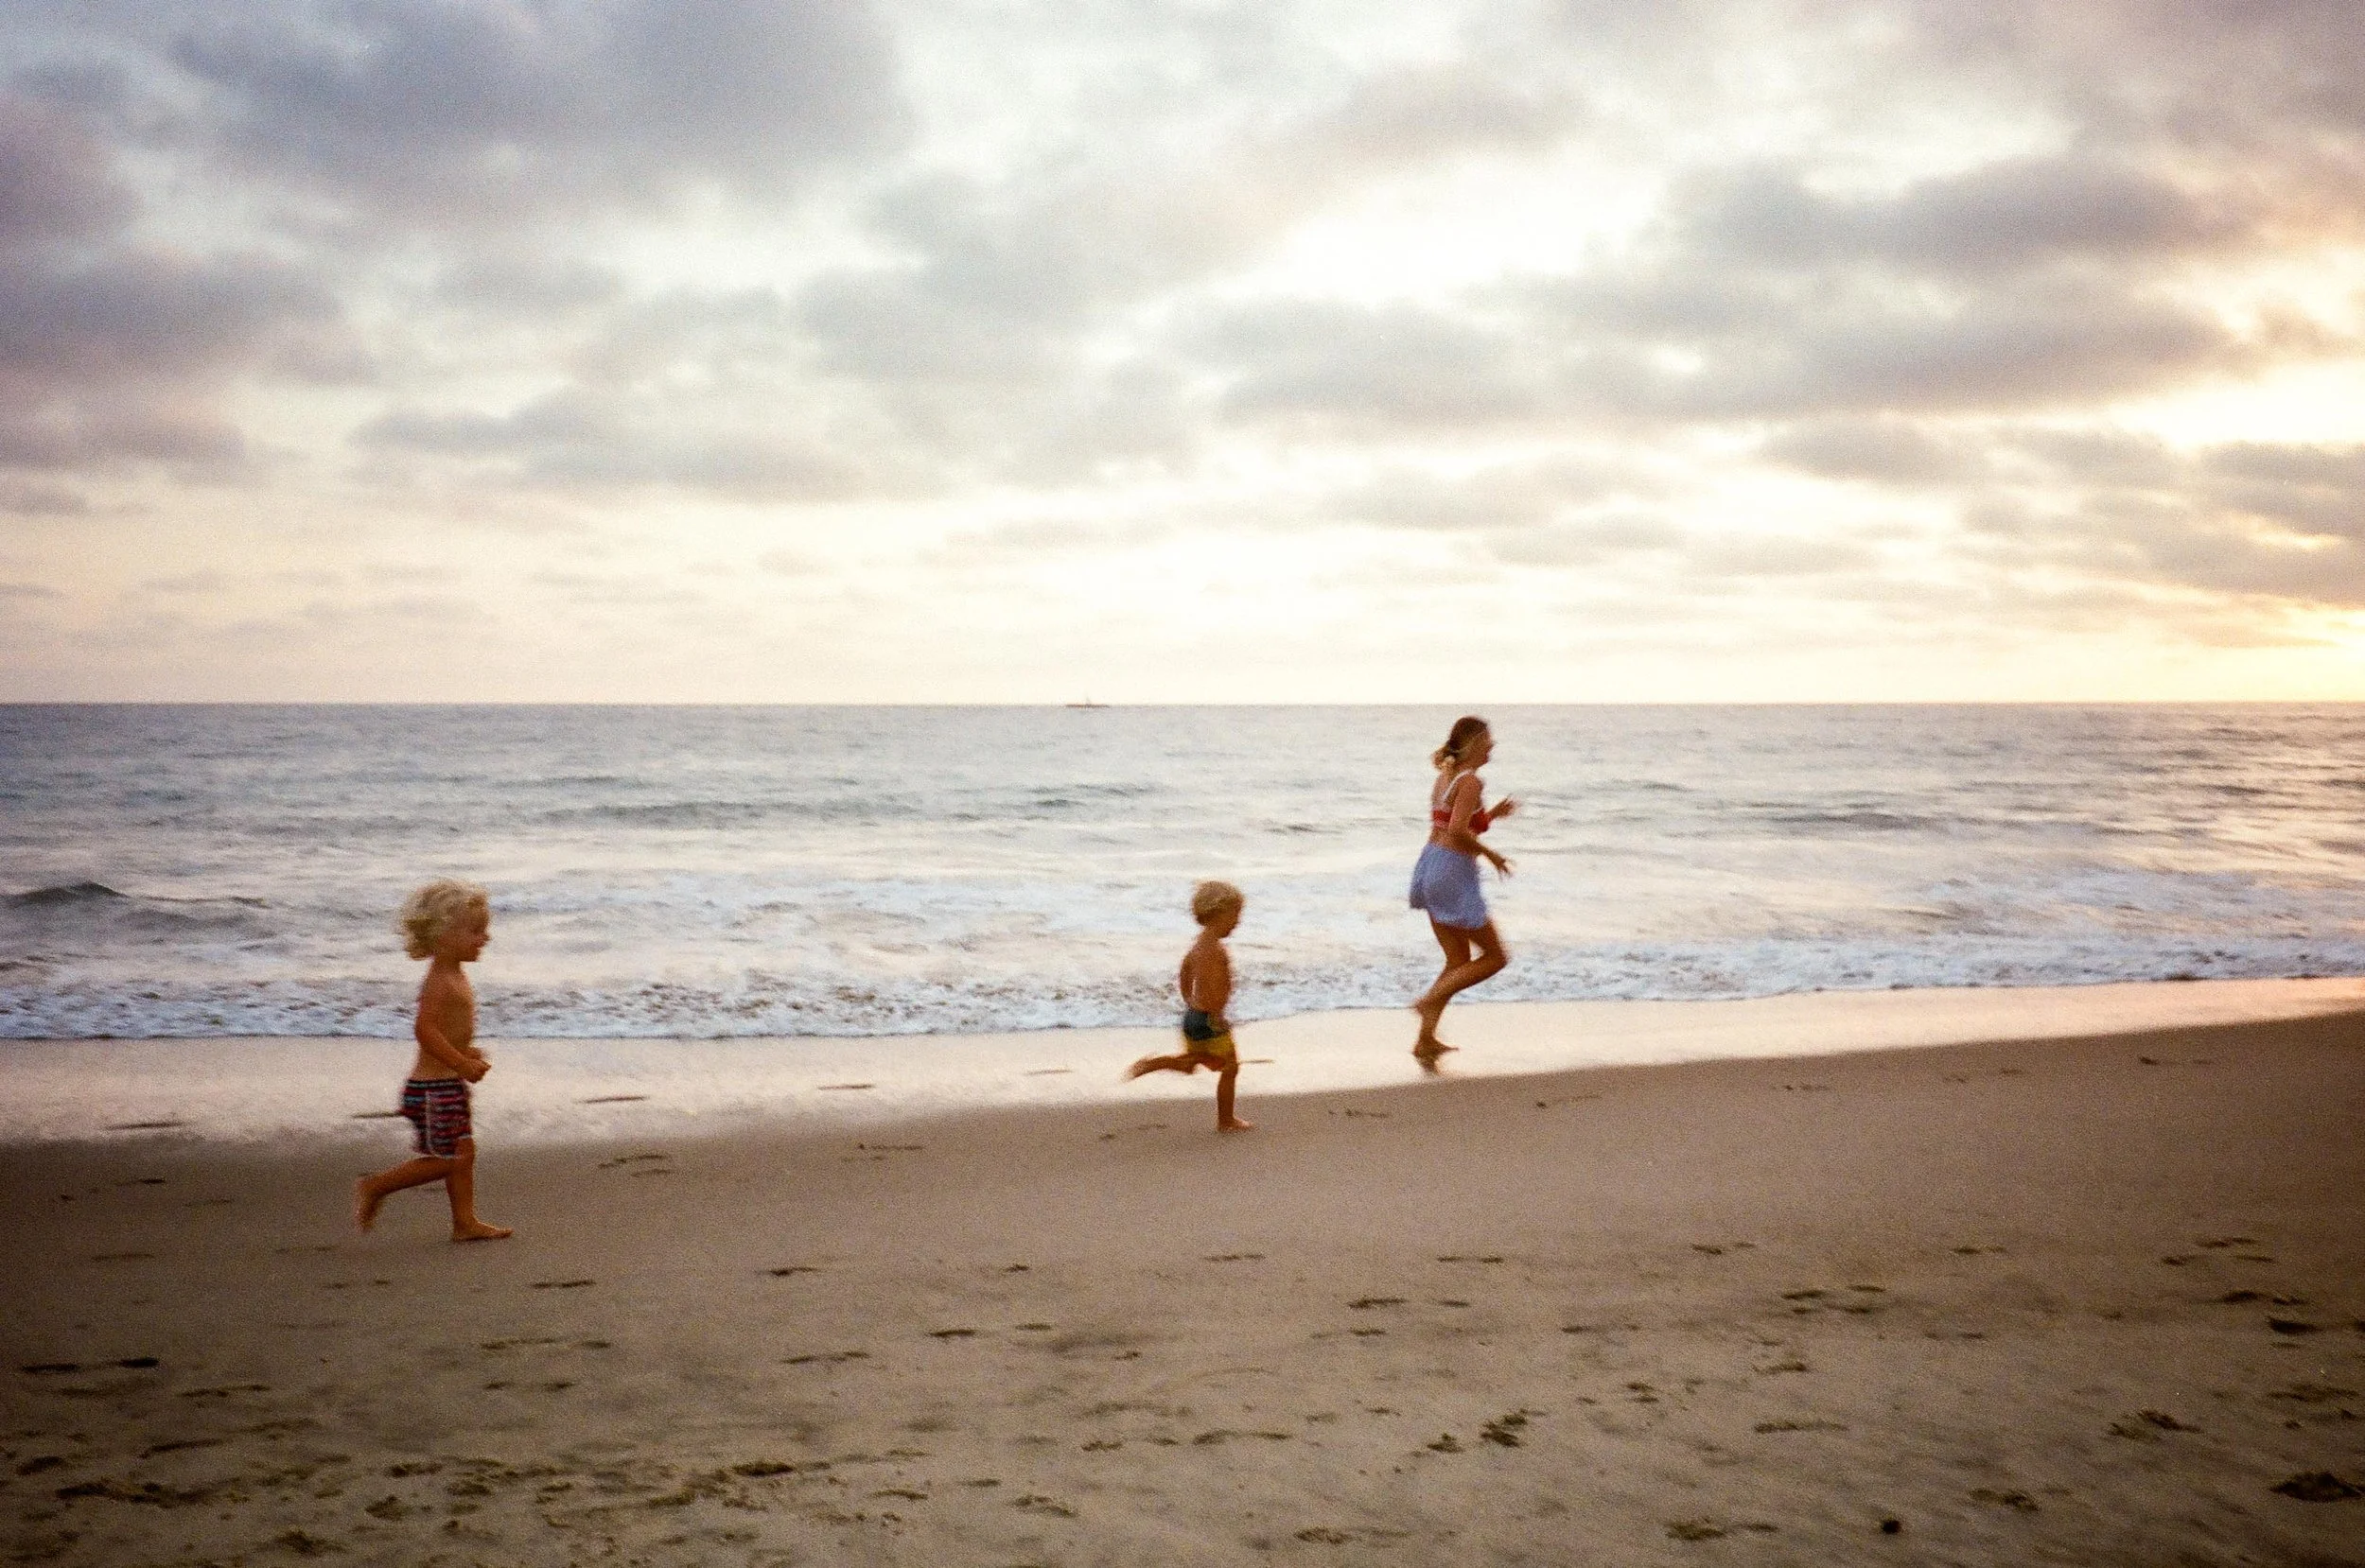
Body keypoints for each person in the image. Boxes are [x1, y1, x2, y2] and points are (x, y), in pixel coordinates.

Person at [356, 880, 512, 1241]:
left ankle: (464, 1222)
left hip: (447, 1084)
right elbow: (424, 1030)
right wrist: (459, 1062)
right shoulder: (439, 980)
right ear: (444, 935)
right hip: (432, 1089)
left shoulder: (456, 974)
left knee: (464, 1153)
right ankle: (375, 1186)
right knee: (448, 1160)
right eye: (475, 931)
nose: (484, 939)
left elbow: (446, 1031)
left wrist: (465, 1053)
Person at [1409, 716, 1516, 1063]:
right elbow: (1458, 832)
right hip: (1453, 871)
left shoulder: (1446, 778)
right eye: (1488, 740)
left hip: (1430, 866)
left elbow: (1450, 824)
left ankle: (1425, 1039)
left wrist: (1492, 816)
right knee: (1496, 957)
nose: (1492, 746)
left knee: (1457, 961)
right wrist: (1493, 855)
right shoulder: (1470, 780)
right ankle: (1428, 1000)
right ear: (1473, 744)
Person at [1125, 880, 1254, 1131]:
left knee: (1194, 1064)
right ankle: (1226, 1121)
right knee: (1230, 1068)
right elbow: (1217, 987)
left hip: (1192, 1017)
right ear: (1218, 913)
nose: (1237, 922)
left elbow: (1184, 972)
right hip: (1209, 1018)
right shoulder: (1216, 951)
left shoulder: (1197, 946)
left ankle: (1163, 1063)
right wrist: (1217, 1013)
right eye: (1235, 916)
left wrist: (1189, 1000)